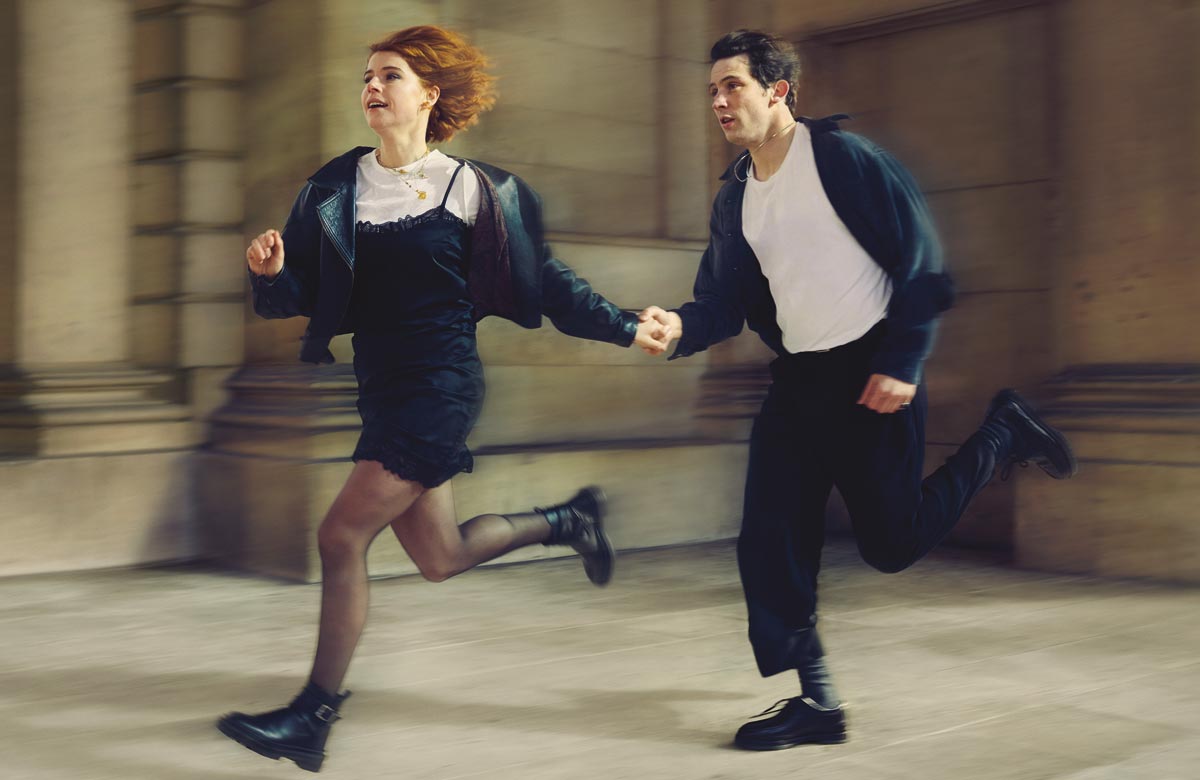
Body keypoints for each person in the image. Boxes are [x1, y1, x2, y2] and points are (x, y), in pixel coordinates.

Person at [218, 25, 666, 772]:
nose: (372, 86)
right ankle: (566, 519)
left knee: (339, 537)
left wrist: (625, 327)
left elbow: (548, 282)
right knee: (439, 555)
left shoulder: (477, 191)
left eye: (389, 75)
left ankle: (312, 717)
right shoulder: (334, 188)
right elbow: (291, 300)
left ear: (429, 94)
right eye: (366, 75)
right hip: (383, 387)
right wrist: (268, 273)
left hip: (442, 385)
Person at [638, 30, 1077, 751]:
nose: (718, 101)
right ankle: (817, 703)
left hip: (873, 371)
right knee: (771, 539)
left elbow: (922, 261)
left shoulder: (843, 159)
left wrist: (903, 360)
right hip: (800, 382)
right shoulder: (736, 195)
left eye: (733, 86)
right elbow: (722, 300)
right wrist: (679, 326)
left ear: (779, 91)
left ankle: (1004, 431)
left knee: (892, 543)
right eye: (712, 89)